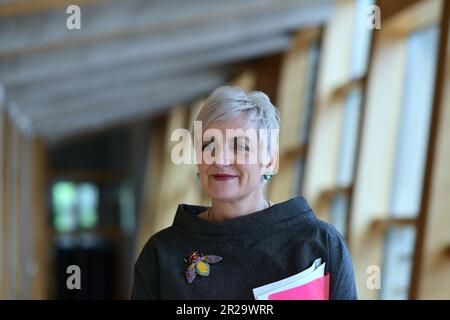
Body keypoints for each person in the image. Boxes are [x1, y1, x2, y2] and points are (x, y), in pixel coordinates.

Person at [132, 85, 357, 299]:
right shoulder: (162, 253)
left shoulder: (318, 243)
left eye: (240, 146)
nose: (220, 159)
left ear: (269, 160)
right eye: (209, 145)